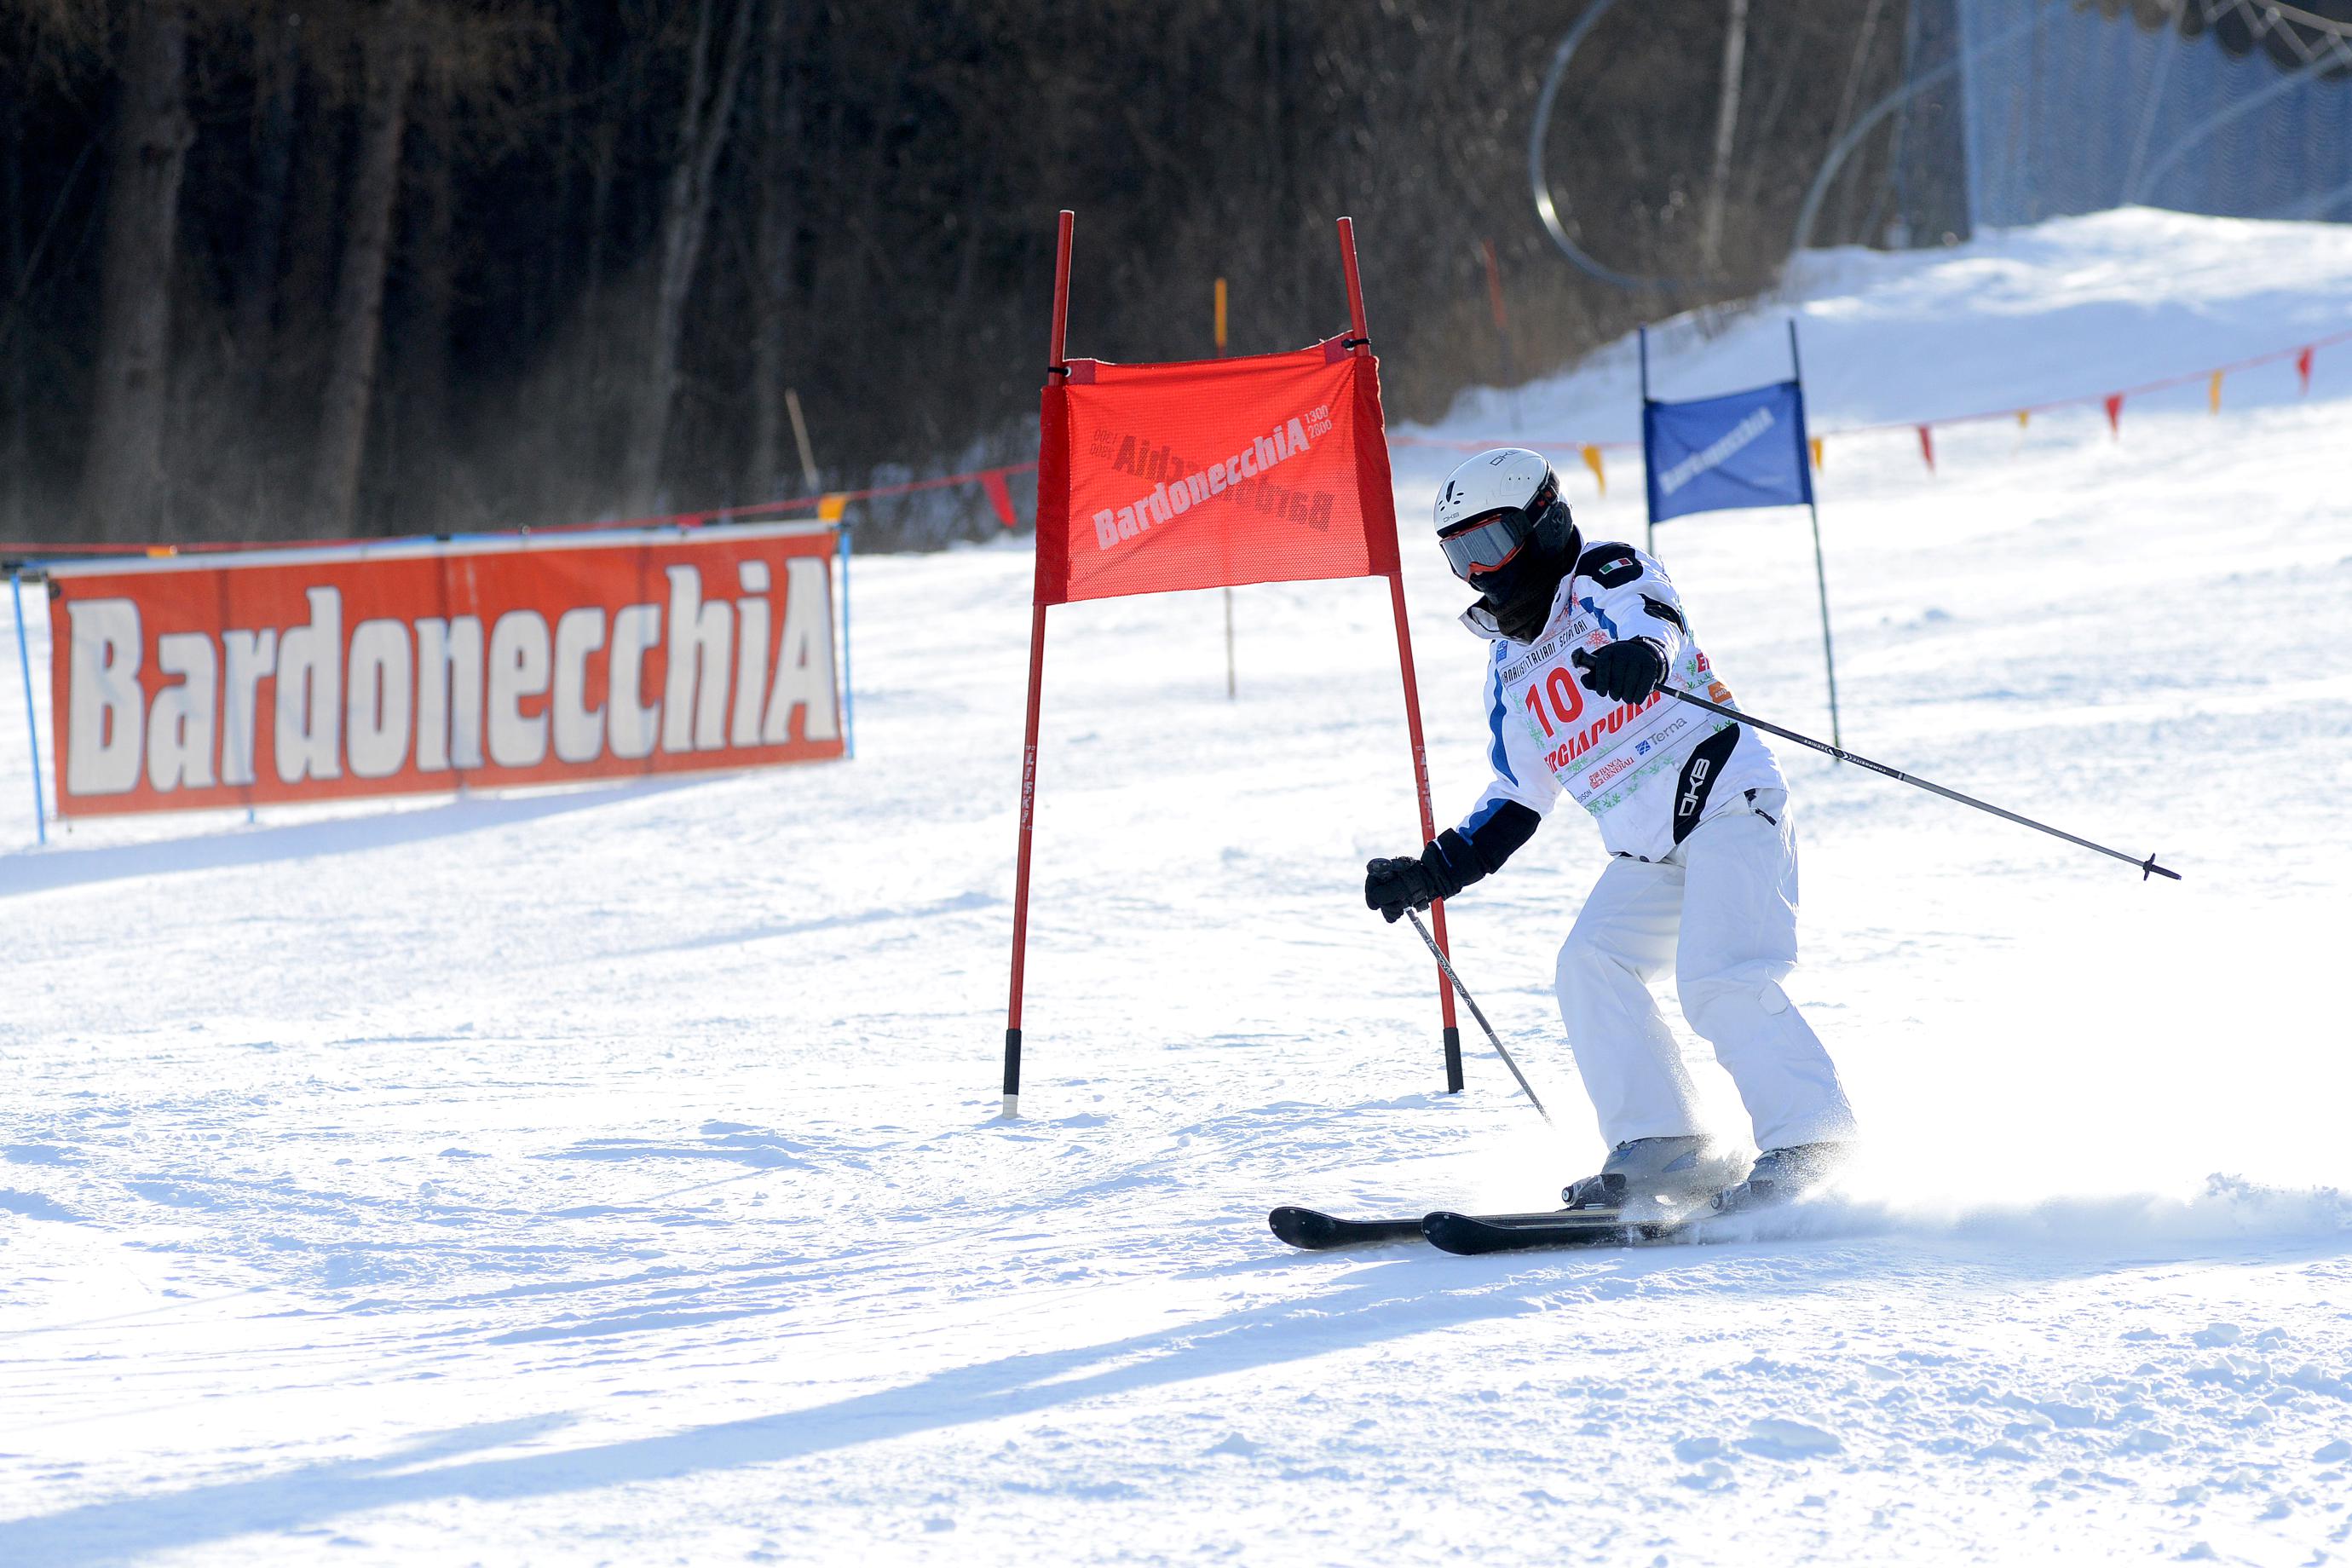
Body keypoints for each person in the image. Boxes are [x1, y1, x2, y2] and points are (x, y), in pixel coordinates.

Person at [1364, 447, 1858, 1219]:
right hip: (1648, 853)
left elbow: (1655, 617)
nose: (1480, 572)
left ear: (1544, 523)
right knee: (1589, 963)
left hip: (1727, 805)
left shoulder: (1603, 574)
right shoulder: (1509, 664)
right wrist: (1434, 871)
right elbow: (1518, 796)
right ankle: (1664, 1140)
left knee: (1718, 976)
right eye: (1460, 555)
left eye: (1491, 543)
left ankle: (1813, 1141)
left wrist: (1642, 657)